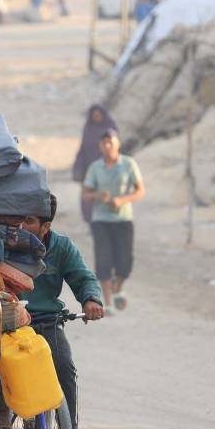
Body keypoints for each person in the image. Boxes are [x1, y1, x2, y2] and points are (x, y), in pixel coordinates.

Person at [0, 194, 104, 429]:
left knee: (64, 367)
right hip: (10, 321)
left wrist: (91, 299)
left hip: (47, 321)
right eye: (20, 218)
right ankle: (0, 413)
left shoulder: (62, 247)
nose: (21, 225)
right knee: (2, 363)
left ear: (45, 227)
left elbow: (82, 276)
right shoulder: (4, 243)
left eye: (30, 221)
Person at [82, 128, 145, 311]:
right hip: (101, 219)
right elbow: (86, 194)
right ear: (100, 146)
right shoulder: (95, 167)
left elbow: (140, 190)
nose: (107, 145)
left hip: (123, 218)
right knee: (103, 260)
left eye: (111, 141)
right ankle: (108, 302)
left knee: (125, 261)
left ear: (118, 143)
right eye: (104, 142)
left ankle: (118, 288)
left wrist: (122, 200)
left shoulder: (129, 164)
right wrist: (98, 195)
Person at [72, 104, 119, 225]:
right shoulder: (88, 128)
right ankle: (91, 221)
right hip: (89, 166)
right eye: (94, 115)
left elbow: (116, 150)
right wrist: (79, 168)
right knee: (88, 195)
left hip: (107, 167)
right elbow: (83, 148)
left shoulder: (110, 128)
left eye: (99, 115)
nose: (97, 117)